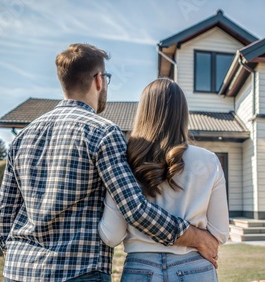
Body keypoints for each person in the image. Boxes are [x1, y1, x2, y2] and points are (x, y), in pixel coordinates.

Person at [0, 43, 218, 282]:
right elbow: (135, 209)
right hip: (78, 272)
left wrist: (19, 258)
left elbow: (3, 216)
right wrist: (196, 237)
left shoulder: (23, 137)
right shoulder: (103, 133)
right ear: (99, 80)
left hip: (18, 272)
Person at [98, 78, 229, 282]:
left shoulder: (126, 161)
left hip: (140, 268)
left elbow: (111, 235)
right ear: (182, 115)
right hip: (194, 267)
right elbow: (220, 232)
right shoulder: (209, 160)